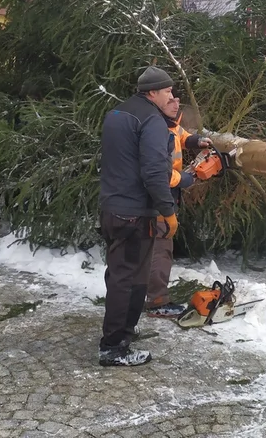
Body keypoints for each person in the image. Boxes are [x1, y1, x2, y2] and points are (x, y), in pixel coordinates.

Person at [97, 66, 177, 367]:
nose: (172, 95)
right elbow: (154, 171)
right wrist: (168, 212)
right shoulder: (152, 120)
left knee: (120, 276)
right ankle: (114, 346)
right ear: (153, 93)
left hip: (112, 208)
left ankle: (122, 333)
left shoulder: (117, 113)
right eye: (167, 91)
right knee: (129, 281)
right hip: (134, 214)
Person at [145, 95, 214, 318]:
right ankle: (157, 301)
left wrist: (196, 141)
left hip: (164, 195)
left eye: (176, 99)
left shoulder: (171, 126)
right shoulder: (158, 132)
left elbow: (181, 136)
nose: (176, 103)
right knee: (161, 250)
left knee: (153, 247)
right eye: (170, 101)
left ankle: (138, 292)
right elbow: (158, 173)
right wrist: (183, 179)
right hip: (159, 197)